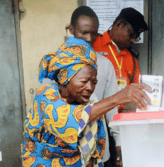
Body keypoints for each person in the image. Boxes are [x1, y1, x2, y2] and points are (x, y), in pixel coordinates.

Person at [22, 7, 152, 167]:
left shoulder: (96, 86)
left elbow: (103, 119)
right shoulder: (49, 88)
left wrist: (116, 144)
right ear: (63, 77)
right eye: (83, 82)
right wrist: (119, 97)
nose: (90, 88)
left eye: (94, 82)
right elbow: (71, 120)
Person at [65, 6, 122, 167]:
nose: (89, 38)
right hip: (66, 153)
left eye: (94, 33)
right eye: (84, 32)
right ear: (71, 30)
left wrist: (119, 145)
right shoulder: (58, 64)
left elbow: (112, 110)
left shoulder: (104, 64)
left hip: (97, 152)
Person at [93, 7, 148, 91]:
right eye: (132, 34)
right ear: (119, 24)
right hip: (97, 103)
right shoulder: (93, 43)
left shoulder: (131, 57)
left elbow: (138, 87)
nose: (133, 41)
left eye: (136, 37)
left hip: (124, 104)